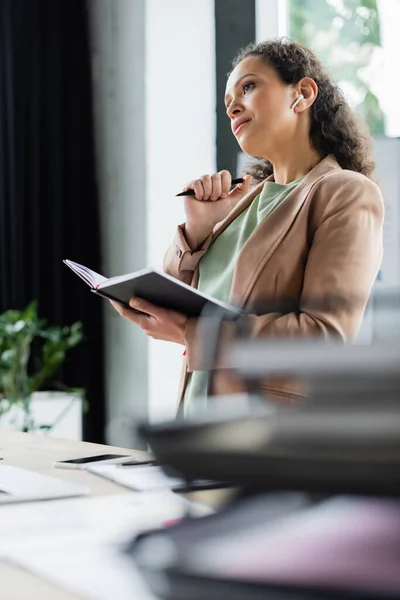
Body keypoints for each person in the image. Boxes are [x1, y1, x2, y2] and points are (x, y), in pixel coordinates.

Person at [112, 38, 384, 416]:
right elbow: (181, 297)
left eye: (249, 86)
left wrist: (193, 335)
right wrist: (197, 229)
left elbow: (326, 336)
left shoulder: (346, 193)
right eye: (228, 102)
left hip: (269, 442)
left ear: (302, 94)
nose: (234, 106)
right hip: (195, 430)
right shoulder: (241, 203)